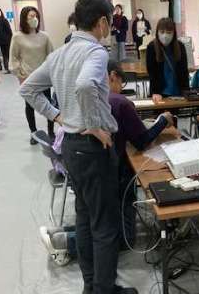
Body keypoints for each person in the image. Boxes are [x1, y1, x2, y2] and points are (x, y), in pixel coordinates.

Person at [20, 0, 138, 294]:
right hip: (92, 147)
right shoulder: (95, 52)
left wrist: (58, 116)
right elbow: (86, 86)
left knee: (85, 217)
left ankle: (91, 283)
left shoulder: (60, 53)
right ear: (102, 22)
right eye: (109, 23)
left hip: (71, 147)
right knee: (105, 224)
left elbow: (27, 89)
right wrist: (95, 124)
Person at [39, 61, 174, 264]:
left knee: (98, 217)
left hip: (79, 164)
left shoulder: (79, 96)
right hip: (110, 172)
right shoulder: (120, 102)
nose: (121, 88)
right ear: (112, 76)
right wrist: (163, 120)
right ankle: (64, 242)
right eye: (121, 82)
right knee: (123, 238)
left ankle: (60, 233)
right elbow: (141, 141)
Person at [9, 6, 55, 144]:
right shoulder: (17, 37)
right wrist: (20, 75)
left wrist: (52, 73)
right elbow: (13, 58)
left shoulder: (44, 36)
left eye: (36, 16)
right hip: (27, 77)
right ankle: (33, 133)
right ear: (24, 18)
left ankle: (51, 131)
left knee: (48, 104)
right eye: (31, 16)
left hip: (44, 77)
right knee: (30, 106)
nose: (34, 18)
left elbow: (51, 55)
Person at [146, 17, 190, 103]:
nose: (165, 35)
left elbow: (184, 71)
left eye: (169, 32)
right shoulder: (152, 47)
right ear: (157, 33)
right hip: (160, 93)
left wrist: (186, 91)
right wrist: (155, 92)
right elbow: (152, 72)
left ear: (174, 33)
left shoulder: (180, 46)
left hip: (178, 92)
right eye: (162, 32)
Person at [0, 7, 12, 73]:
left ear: (1, 12)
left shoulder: (4, 20)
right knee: (4, 55)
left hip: (7, 41)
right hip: (1, 42)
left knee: (8, 55)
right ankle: (7, 68)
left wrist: (10, 40)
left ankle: (11, 68)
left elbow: (9, 31)